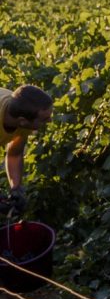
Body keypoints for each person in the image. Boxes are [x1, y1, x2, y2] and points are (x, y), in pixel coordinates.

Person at [0, 85, 54, 215]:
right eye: (45, 119)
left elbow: (15, 154)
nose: (50, 121)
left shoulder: (21, 115)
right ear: (22, 121)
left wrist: (16, 188)